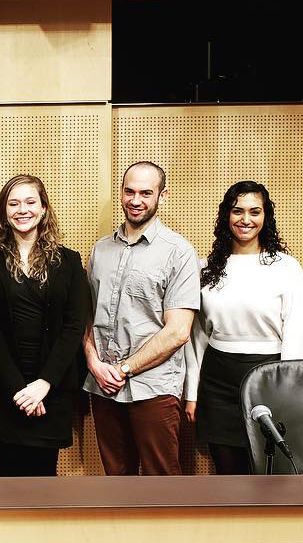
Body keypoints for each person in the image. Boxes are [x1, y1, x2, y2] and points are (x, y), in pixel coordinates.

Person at [184, 182, 303, 474]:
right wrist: (192, 394)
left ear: (266, 217)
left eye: (255, 212)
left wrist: (291, 392)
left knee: (269, 471)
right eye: (237, 211)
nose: (245, 219)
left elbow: (297, 334)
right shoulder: (204, 269)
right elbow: (197, 339)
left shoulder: (285, 267)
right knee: (229, 475)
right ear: (226, 216)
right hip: (217, 381)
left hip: (269, 376)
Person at [83, 161, 199, 476]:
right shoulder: (100, 251)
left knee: (161, 482)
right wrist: (94, 363)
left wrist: (123, 369)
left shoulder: (179, 252)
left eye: (146, 193)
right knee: (116, 480)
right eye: (129, 191)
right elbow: (86, 318)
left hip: (153, 388)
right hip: (104, 386)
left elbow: (178, 332)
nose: (136, 200)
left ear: (162, 195)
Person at [0, 175, 92, 477]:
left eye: (29, 202)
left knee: (43, 482)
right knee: (8, 478)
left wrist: (43, 385)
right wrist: (19, 391)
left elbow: (74, 325)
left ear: (43, 209)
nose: (21, 210)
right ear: (4, 212)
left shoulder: (69, 261)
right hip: (5, 391)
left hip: (51, 389)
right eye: (13, 203)